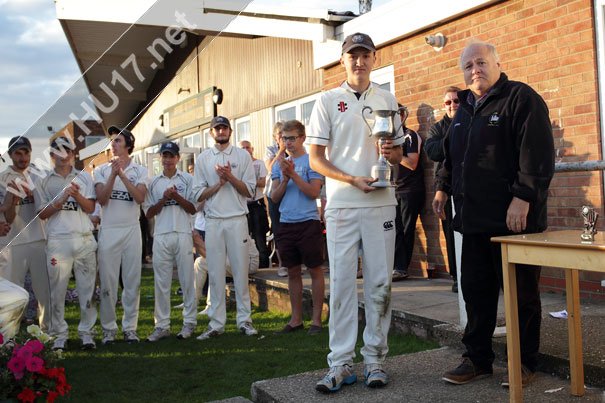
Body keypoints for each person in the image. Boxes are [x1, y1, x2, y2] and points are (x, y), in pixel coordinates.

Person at [433, 40, 554, 387]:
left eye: (481, 62)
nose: (475, 70)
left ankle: (524, 362)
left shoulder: (521, 99)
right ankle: (477, 360)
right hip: (473, 222)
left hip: (514, 224)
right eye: (468, 65)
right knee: (475, 293)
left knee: (521, 296)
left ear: (498, 63)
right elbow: (451, 156)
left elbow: (538, 153)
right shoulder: (465, 108)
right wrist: (442, 186)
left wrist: (523, 196)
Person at [307, 32, 404, 392]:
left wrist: (390, 151)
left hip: (380, 202)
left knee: (380, 284)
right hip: (344, 204)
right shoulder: (328, 100)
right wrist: (350, 179)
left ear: (374, 58)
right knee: (343, 286)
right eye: (353, 55)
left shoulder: (387, 99)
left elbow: (396, 157)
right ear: (343, 60)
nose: (359, 61)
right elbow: (316, 159)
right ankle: (341, 363)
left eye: (365, 55)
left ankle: (376, 360)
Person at [192, 116, 258, 340]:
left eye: (224, 128)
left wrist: (229, 177)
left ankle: (245, 321)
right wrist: (218, 184)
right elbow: (198, 194)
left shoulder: (242, 156)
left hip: (237, 218)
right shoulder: (203, 159)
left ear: (230, 131)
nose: (221, 132)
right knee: (216, 272)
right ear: (211, 133)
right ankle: (216, 323)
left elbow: (249, 191)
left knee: (240, 272)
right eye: (217, 129)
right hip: (213, 221)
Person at [34, 137, 97, 350]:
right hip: (58, 240)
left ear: (73, 153)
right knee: (57, 291)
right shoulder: (43, 180)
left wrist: (76, 194)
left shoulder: (84, 177)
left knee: (87, 289)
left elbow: (90, 208)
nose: (64, 155)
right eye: (58, 151)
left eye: (67, 150)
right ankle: (59, 334)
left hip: (83, 238)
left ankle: (87, 333)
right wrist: (61, 200)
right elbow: (42, 214)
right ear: (52, 155)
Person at [270, 120, 325, 336]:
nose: (288, 142)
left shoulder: (312, 161)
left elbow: (313, 193)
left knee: (315, 270)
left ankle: (317, 321)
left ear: (302, 138)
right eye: (285, 138)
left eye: (292, 138)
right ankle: (295, 320)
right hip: (286, 224)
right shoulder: (279, 164)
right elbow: (274, 197)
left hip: (308, 222)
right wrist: (284, 179)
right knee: (292, 272)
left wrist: (294, 175)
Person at [94, 126, 148, 344]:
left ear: (128, 145)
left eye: (117, 140)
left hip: (131, 230)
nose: (113, 144)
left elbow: (140, 198)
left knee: (132, 281)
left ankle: (130, 328)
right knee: (107, 283)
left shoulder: (140, 171)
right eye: (112, 141)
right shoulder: (100, 171)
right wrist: (112, 175)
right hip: (108, 230)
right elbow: (102, 199)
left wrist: (122, 176)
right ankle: (108, 330)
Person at [144, 141, 197, 341]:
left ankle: (189, 323)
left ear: (178, 158)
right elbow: (149, 213)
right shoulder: (154, 183)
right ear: (160, 158)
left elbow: (193, 208)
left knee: (186, 280)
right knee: (161, 282)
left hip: (183, 232)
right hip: (161, 234)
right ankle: (162, 325)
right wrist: (165, 199)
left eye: (171, 156)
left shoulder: (187, 179)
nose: (167, 160)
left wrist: (176, 196)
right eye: (164, 156)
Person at [0, 136, 50, 332]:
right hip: (12, 242)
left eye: (26, 153)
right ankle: (9, 336)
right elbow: (9, 216)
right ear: (11, 155)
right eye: (18, 153)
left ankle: (48, 334)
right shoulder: (3, 179)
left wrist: (34, 194)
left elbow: (46, 209)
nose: (23, 158)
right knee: (13, 294)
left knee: (44, 292)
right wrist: (14, 198)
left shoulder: (39, 175)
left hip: (39, 239)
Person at [425, 86, 462, 292]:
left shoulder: (470, 121)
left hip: (469, 187)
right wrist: (456, 137)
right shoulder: (437, 128)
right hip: (445, 188)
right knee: (450, 234)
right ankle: (456, 276)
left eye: (456, 101)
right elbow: (433, 151)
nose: (452, 105)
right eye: (448, 102)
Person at [392, 105, 425, 281]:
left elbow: (412, 163)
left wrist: (394, 154)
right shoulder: (388, 138)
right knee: (394, 231)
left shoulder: (410, 136)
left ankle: (401, 268)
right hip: (393, 190)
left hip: (409, 190)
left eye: (396, 114)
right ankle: (396, 266)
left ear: (403, 115)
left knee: (405, 230)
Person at [193, 231, 259, 316]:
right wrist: (196, 244)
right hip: (233, 260)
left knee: (215, 264)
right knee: (200, 262)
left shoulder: (231, 227)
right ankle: (193, 301)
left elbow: (213, 255)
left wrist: (198, 242)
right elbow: (209, 254)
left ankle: (212, 306)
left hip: (248, 262)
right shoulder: (217, 229)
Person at [239, 140, 270, 268]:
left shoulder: (259, 163)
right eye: (243, 148)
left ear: (252, 149)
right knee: (245, 235)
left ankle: (263, 264)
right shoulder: (238, 166)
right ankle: (248, 263)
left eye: (248, 147)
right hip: (243, 204)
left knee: (259, 234)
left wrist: (248, 182)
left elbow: (263, 182)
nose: (246, 150)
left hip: (257, 202)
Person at [264, 122, 288, 277]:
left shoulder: (293, 147)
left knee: (292, 227)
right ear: (275, 136)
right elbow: (271, 167)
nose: (282, 136)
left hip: (291, 192)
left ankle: (295, 262)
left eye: (285, 132)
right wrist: (281, 150)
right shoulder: (271, 149)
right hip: (274, 194)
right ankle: (282, 264)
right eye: (280, 133)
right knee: (279, 228)